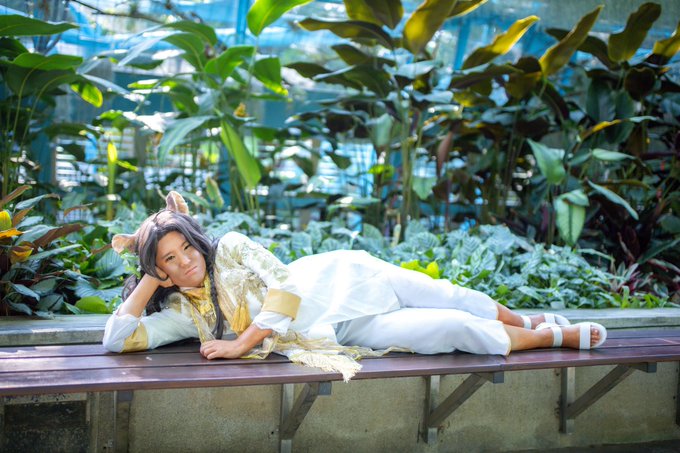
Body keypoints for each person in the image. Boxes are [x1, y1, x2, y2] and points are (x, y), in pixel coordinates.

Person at [103, 191, 607, 381]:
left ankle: (529, 324)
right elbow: (117, 340)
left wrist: (242, 343)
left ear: (197, 241)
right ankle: (544, 337)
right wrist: (149, 275)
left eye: (186, 247)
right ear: (161, 271)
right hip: (341, 330)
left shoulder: (231, 246)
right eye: (170, 260)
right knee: (453, 328)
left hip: (346, 276)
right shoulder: (182, 314)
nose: (186, 261)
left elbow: (284, 286)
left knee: (454, 296)